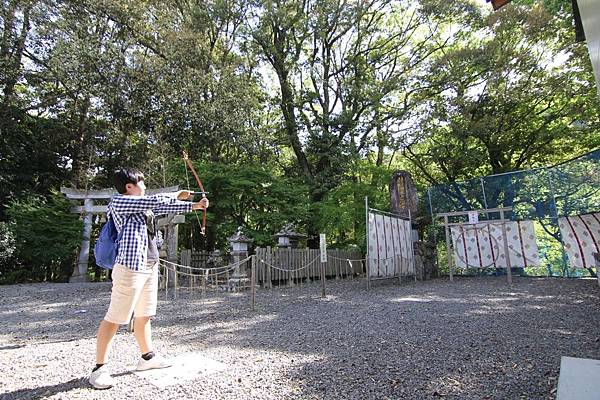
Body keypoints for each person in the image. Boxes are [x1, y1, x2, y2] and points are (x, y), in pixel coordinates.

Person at [89, 168, 209, 389]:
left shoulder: (143, 205)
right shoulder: (120, 202)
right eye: (141, 182)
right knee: (115, 317)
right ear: (129, 186)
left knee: (144, 315)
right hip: (130, 268)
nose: (144, 186)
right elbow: (153, 201)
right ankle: (99, 368)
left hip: (150, 264)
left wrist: (194, 205)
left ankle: (147, 358)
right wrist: (177, 196)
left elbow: (160, 205)